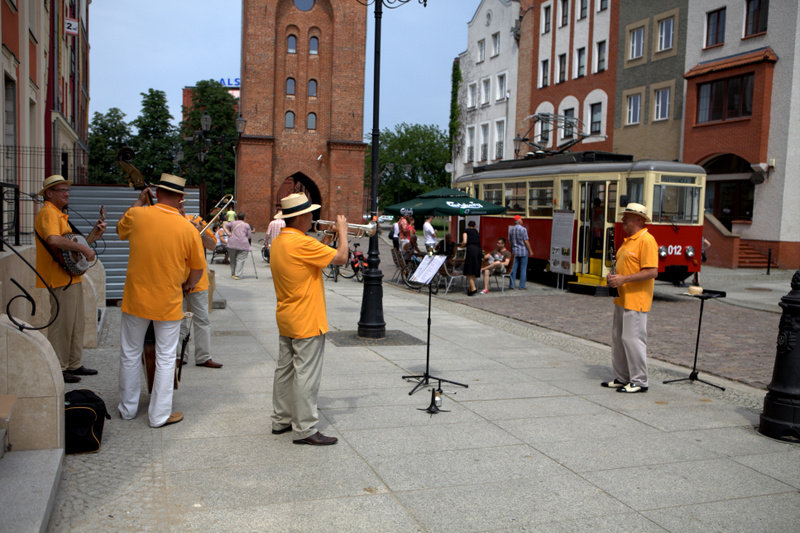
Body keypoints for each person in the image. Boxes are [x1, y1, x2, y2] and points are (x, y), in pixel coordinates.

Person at [116, 174, 206, 427]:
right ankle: (159, 415)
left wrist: (138, 200)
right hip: (168, 300)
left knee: (130, 353)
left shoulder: (138, 215)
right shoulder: (187, 227)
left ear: (155, 192)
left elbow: (119, 229)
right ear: (180, 199)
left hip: (135, 298)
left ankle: (128, 409)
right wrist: (188, 284)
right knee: (166, 357)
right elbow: (197, 269)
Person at [269, 192, 348, 446]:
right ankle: (304, 428)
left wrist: (331, 236)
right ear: (302, 217)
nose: (314, 216)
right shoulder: (301, 243)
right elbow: (341, 258)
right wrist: (344, 232)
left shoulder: (281, 241)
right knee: (306, 374)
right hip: (307, 318)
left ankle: (281, 419)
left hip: (287, 315)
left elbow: (315, 255)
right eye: (311, 213)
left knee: (284, 370)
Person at [34, 175, 107, 383]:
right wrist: (84, 247)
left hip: (70, 277)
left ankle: (74, 363)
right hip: (58, 278)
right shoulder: (48, 212)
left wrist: (94, 235)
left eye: (67, 190)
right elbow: (53, 239)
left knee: (76, 324)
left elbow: (72, 249)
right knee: (62, 325)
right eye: (62, 190)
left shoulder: (59, 214)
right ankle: (60, 367)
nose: (67, 194)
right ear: (49, 193)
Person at [603, 202, 658, 394]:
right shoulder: (629, 241)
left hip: (637, 299)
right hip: (622, 297)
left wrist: (624, 278)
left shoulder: (646, 240)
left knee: (632, 339)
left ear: (639, 219)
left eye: (627, 216)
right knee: (618, 338)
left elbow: (652, 271)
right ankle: (623, 377)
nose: (623, 219)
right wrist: (614, 277)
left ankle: (639, 380)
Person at [178, 205, 223, 369]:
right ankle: (179, 355)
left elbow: (212, 245)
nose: (179, 206)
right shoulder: (168, 221)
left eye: (181, 202)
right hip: (175, 279)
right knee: (178, 320)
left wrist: (199, 231)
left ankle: (203, 356)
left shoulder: (197, 220)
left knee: (202, 319)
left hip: (198, 280)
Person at [508, 215, 533, 290]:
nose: (522, 221)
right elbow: (526, 241)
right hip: (523, 251)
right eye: (521, 220)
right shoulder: (523, 229)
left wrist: (512, 250)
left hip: (515, 251)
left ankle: (512, 285)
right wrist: (530, 251)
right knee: (523, 269)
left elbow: (510, 242)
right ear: (519, 221)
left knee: (513, 269)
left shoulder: (511, 230)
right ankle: (522, 286)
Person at [224, 212, 252, 279]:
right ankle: (238, 274)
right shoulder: (247, 225)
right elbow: (249, 236)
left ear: (237, 217)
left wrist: (228, 233)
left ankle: (233, 273)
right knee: (240, 259)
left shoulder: (232, 223)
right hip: (243, 243)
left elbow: (224, 225)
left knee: (232, 259)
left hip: (232, 243)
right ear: (244, 218)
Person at [461, 220, 482, 296]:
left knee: (469, 269)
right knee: (474, 269)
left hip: (471, 250)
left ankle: (473, 288)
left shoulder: (466, 231)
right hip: (478, 250)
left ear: (468, 225)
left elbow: (465, 241)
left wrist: (462, 245)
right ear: (475, 226)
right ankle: (471, 287)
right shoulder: (476, 232)